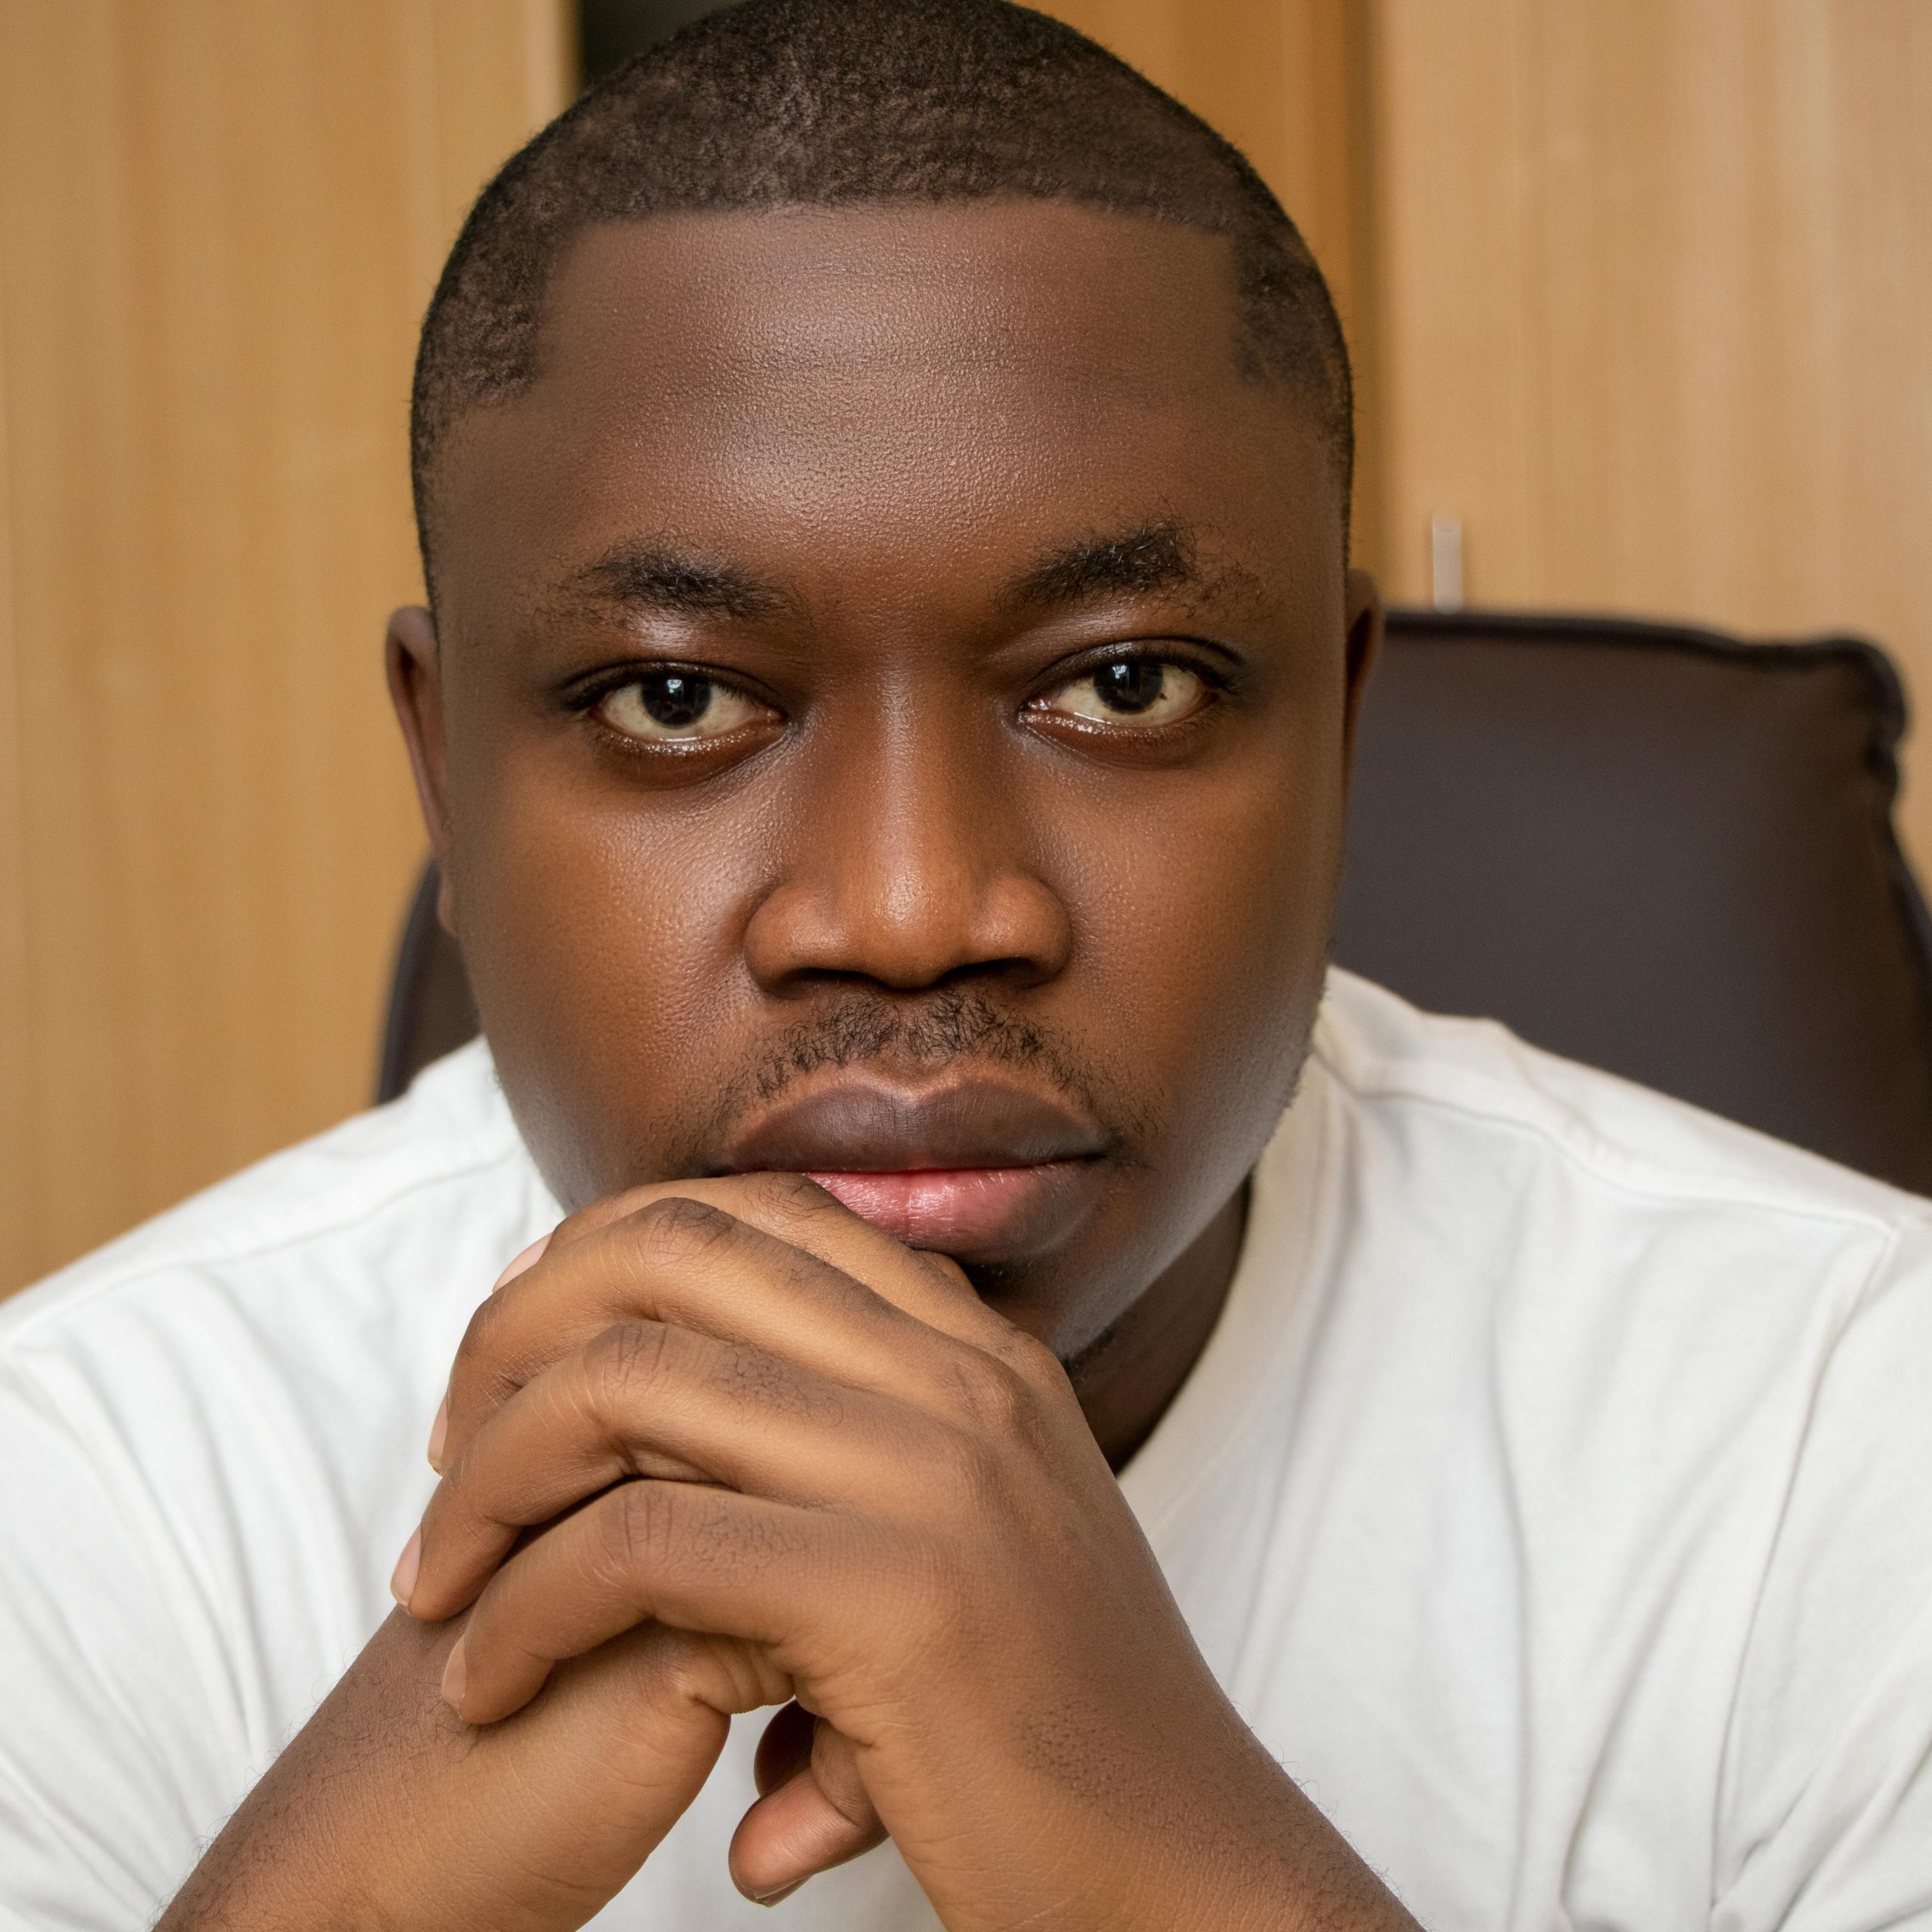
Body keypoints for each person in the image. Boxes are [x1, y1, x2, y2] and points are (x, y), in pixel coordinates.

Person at [4, 2, 1930, 1925]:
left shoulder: (1846, 1452)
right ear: (443, 761)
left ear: (1341, 725)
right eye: (676, 697)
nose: (915, 906)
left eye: (1121, 681)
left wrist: (1156, 1846)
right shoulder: (87, 1501)